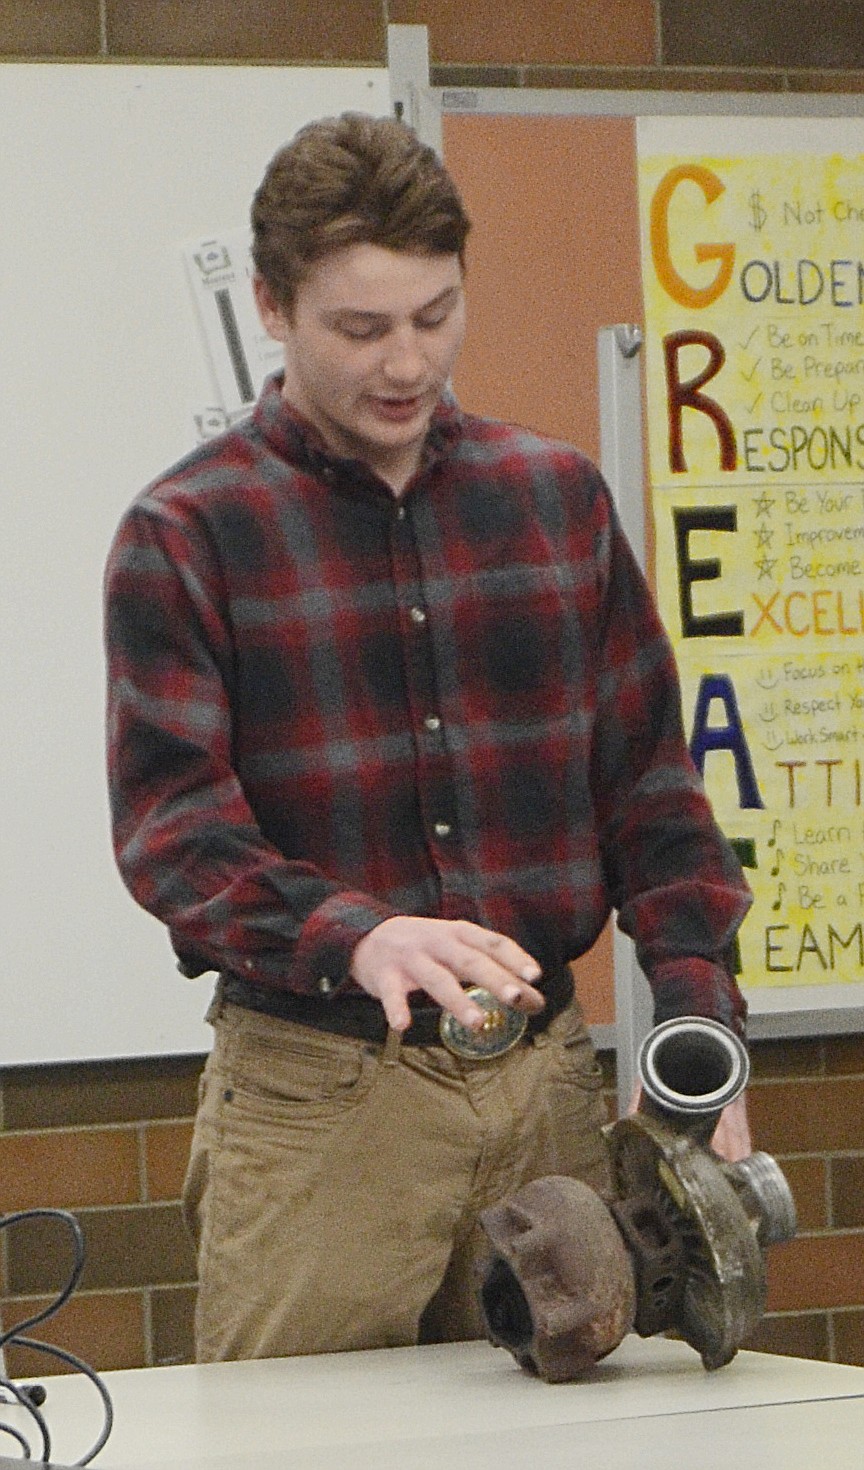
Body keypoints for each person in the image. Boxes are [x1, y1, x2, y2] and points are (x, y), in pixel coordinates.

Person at [104, 112, 753, 1363]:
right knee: (298, 1450)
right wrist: (358, 935)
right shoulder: (188, 533)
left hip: (546, 1094)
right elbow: (172, 833)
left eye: (435, 316)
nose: (406, 363)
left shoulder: (554, 500)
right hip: (319, 1098)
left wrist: (696, 1008)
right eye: (361, 329)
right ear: (273, 308)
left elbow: (652, 793)